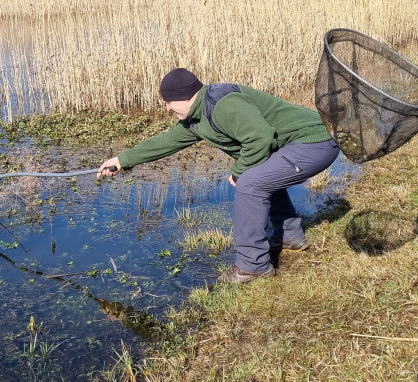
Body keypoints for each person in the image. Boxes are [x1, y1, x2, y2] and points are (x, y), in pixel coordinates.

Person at [98, 68, 340, 284]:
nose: (167, 108)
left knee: (249, 184)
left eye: (169, 101)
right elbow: (166, 142)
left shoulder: (223, 104)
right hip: (302, 145)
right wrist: (121, 161)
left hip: (315, 142)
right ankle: (289, 237)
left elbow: (261, 138)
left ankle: (253, 266)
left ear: (186, 95)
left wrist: (238, 171)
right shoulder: (197, 115)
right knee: (259, 175)